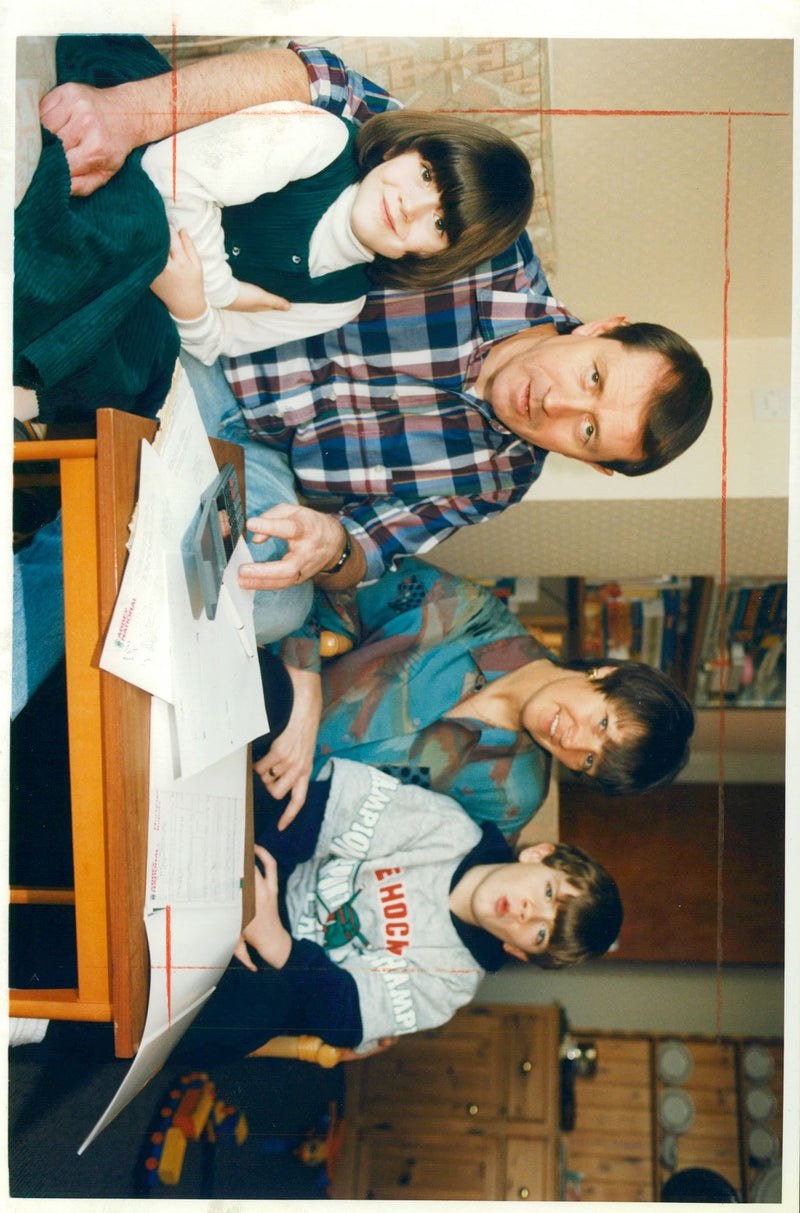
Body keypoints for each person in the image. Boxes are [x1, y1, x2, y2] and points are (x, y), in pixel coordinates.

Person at [170, 745, 623, 1065]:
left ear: (521, 952)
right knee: (274, 799)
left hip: (284, 965)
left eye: (540, 932)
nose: (528, 912)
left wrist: (273, 939)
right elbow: (327, 810)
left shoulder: (452, 987)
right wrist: (251, 882)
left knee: (247, 1018)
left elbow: (344, 1014)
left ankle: (117, 1038)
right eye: (547, 894)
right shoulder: (447, 827)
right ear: (539, 854)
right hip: (279, 866)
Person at [257, 558, 695, 831]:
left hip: (267, 818)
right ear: (604, 674)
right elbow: (310, 584)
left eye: (589, 761)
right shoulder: (457, 608)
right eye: (602, 724)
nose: (574, 743)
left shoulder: (513, 799)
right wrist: (304, 689)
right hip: (248, 701)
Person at [143, 103, 533, 359]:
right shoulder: (321, 139)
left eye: (440, 224)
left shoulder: (342, 302)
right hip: (123, 196)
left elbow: (215, 342)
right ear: (400, 149)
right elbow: (168, 170)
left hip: (147, 314)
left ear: (436, 257)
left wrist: (190, 306)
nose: (410, 207)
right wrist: (220, 290)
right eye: (427, 175)